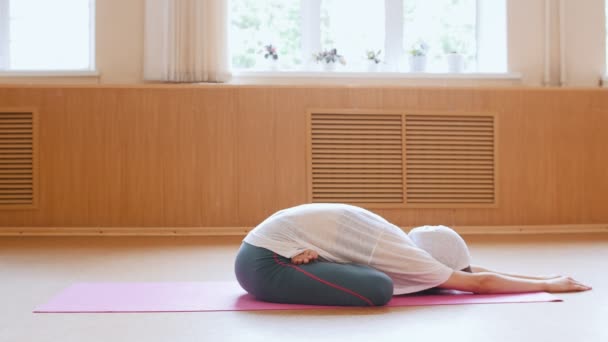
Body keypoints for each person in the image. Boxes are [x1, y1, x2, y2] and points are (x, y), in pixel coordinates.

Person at [234, 203, 591, 307]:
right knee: (377, 288)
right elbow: (476, 282)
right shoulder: (404, 258)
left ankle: (312, 262)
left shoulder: (402, 240)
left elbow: (472, 272)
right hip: (264, 264)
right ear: (430, 261)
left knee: (378, 279)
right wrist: (546, 284)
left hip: (269, 247)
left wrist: (542, 275)